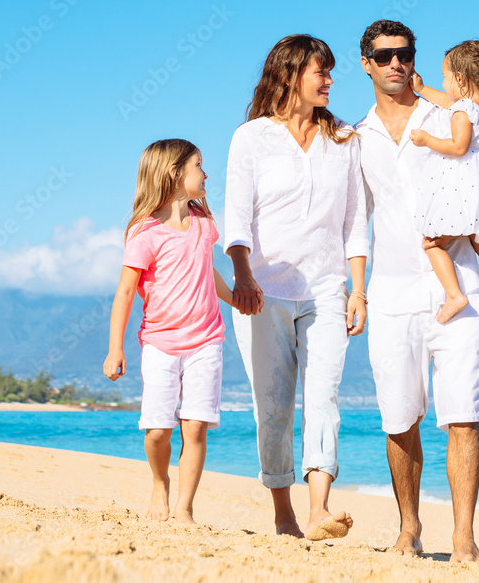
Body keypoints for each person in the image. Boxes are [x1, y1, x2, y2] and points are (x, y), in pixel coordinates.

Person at [224, 34, 367, 541]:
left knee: (323, 394)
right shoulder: (252, 138)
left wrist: (358, 289)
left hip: (328, 287)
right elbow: (237, 216)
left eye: (329, 72)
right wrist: (242, 275)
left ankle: (318, 510)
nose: (329, 80)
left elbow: (355, 222)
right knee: (274, 403)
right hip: (263, 291)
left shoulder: (344, 138)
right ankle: (283, 514)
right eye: (319, 72)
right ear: (289, 76)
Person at [355, 19, 479, 562]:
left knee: (463, 414)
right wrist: (355, 290)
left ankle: (464, 540)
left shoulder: (450, 115)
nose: (396, 64)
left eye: (404, 54)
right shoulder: (353, 136)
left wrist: (462, 230)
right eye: (384, 55)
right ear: (366, 62)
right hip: (388, 293)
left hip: (457, 288)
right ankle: (408, 530)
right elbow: (350, 220)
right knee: (398, 415)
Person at [102, 138, 233, 525]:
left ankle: (184, 509)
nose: (206, 174)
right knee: (159, 431)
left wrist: (235, 297)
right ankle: (161, 484)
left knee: (195, 427)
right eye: (198, 165)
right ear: (175, 173)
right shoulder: (145, 232)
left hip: (206, 339)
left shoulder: (204, 223)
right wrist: (115, 349)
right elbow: (126, 292)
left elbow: (207, 270)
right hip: (160, 343)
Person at [409, 40, 479, 325]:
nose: (443, 84)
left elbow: (458, 147)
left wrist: (427, 140)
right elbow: (450, 102)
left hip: (461, 185)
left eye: (445, 77)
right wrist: (420, 89)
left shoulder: (462, 111)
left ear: (459, 78)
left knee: (432, 242)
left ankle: (455, 294)